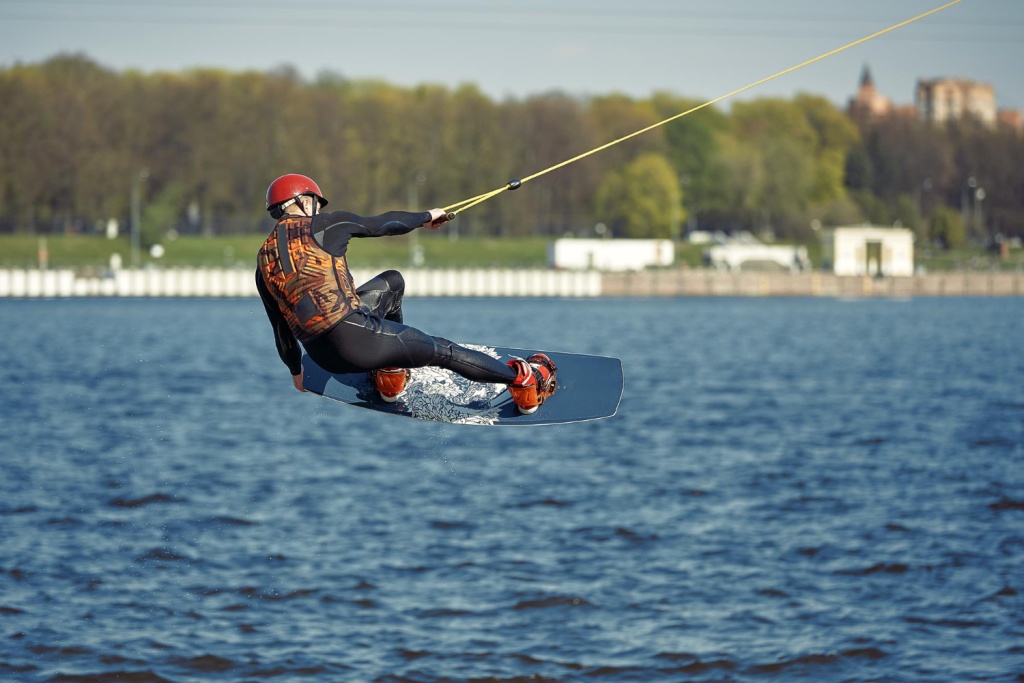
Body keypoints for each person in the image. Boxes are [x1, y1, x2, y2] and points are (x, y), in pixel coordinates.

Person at [255, 173, 557, 414]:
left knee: (392, 282)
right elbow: (384, 224)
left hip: (321, 357)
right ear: (305, 201)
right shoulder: (325, 224)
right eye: (317, 204)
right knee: (443, 351)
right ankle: (524, 381)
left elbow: (280, 329)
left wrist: (297, 372)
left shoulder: (263, 261)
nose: (319, 209)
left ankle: (391, 369)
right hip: (357, 339)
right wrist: (427, 216)